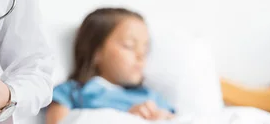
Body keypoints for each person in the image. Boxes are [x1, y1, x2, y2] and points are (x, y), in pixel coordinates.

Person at [45, 8, 175, 124]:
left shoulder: (151, 97)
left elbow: (177, 119)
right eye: (129, 45)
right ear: (96, 52)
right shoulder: (72, 92)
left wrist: (162, 116)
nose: (141, 55)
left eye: (145, 49)